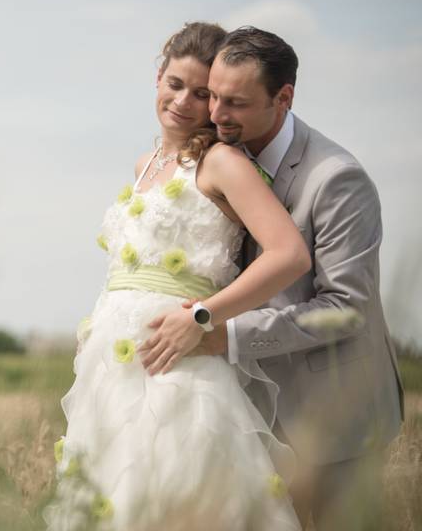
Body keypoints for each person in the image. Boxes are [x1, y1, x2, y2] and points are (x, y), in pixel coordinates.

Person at [44, 22, 310, 531]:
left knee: (178, 500)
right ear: (158, 78)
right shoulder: (146, 164)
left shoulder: (223, 162)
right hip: (111, 368)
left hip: (178, 366)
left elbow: (289, 254)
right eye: (175, 84)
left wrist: (203, 317)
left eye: (203, 93)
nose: (185, 102)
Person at [149, 26, 404, 530]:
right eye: (214, 96)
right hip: (248, 414)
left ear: (283, 97)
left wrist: (224, 333)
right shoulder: (218, 158)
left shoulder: (335, 180)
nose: (216, 114)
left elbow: (344, 310)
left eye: (236, 103)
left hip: (336, 416)